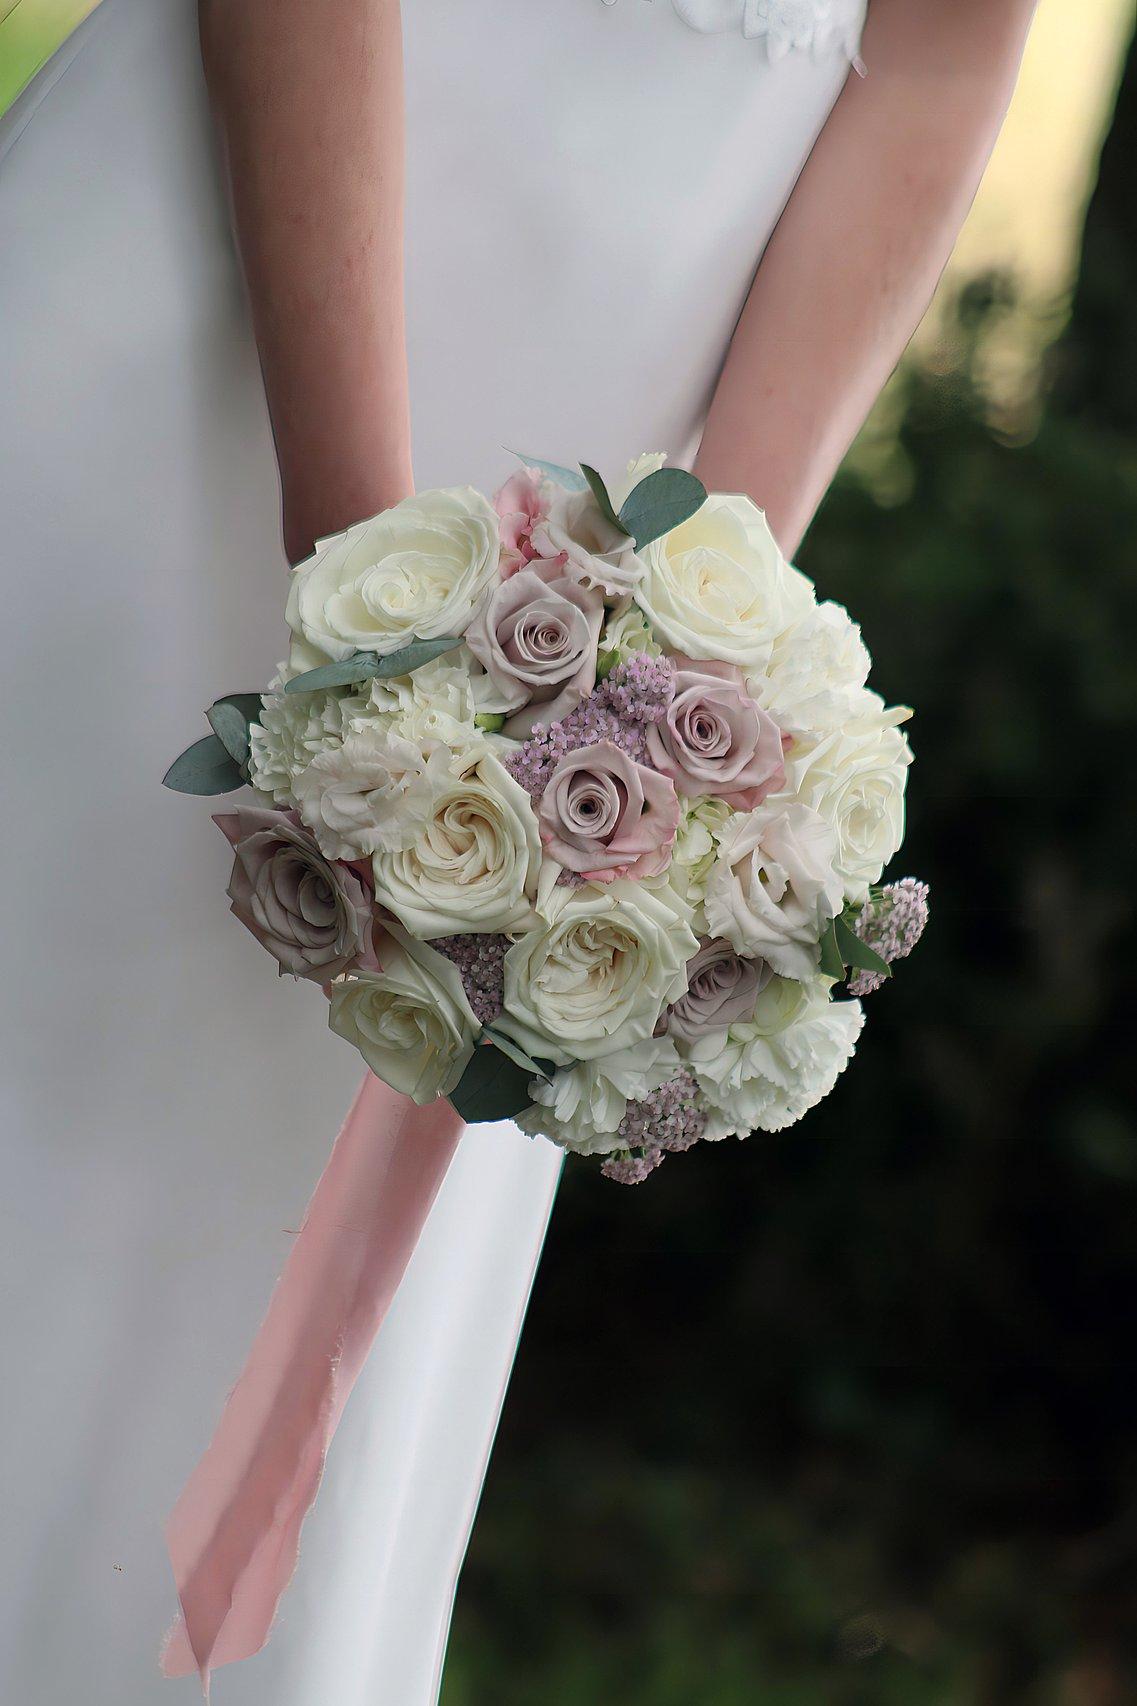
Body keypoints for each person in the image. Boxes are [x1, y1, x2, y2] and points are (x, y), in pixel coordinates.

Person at [0, 1, 1037, 1701]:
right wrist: (372, 633)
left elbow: (937, 51)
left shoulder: (617, 651)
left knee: (249, 1234)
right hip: (201, 322)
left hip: (598, 489)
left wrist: (692, 639)